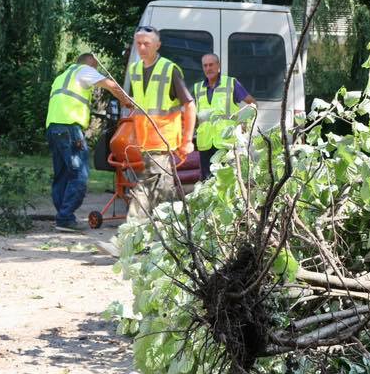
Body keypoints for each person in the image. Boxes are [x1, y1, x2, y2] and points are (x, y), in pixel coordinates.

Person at [46, 53, 125, 232]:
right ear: (91, 63)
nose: (95, 71)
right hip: (69, 129)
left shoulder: (61, 77)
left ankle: (62, 217)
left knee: (62, 175)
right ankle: (65, 218)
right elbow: (110, 85)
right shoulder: (84, 71)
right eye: (95, 67)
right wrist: (128, 102)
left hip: (53, 128)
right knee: (79, 174)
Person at [125, 26, 197, 219]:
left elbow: (190, 105)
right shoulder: (135, 70)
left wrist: (188, 140)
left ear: (157, 45)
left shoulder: (169, 69)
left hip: (163, 140)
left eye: (146, 43)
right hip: (145, 142)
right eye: (138, 43)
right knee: (162, 191)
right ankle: (162, 236)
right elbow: (137, 105)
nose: (141, 48)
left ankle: (129, 233)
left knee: (147, 184)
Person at [193, 53, 257, 180]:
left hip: (225, 144)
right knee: (207, 182)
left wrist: (244, 121)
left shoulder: (231, 84)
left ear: (218, 66)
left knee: (227, 182)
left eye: (211, 65)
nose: (208, 68)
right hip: (205, 144)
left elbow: (253, 104)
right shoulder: (197, 88)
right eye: (205, 65)